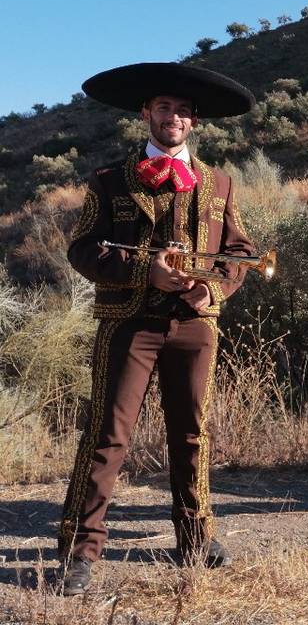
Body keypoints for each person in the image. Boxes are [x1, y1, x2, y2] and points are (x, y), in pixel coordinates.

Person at [58, 62, 257, 595]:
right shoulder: (106, 180)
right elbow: (81, 248)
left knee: (193, 434)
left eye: (183, 111)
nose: (174, 117)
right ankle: (80, 552)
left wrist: (210, 287)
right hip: (129, 323)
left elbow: (238, 252)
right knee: (107, 435)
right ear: (146, 113)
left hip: (195, 324)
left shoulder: (220, 182)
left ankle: (195, 539)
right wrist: (143, 270)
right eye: (164, 107)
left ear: (194, 122)